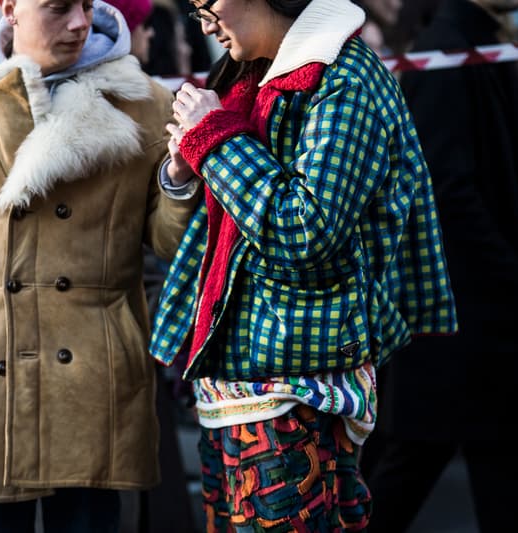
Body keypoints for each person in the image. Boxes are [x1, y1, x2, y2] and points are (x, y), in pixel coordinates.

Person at [0, 0, 201, 531]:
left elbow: (171, 245)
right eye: (57, 8)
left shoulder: (147, 105)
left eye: (87, 6)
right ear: (10, 7)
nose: (78, 22)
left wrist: (180, 178)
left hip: (94, 385)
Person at [148, 0, 458, 530]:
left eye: (208, 2)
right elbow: (220, 226)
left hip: (295, 385)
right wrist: (183, 170)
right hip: (239, 384)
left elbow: (304, 231)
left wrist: (211, 140)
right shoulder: (257, 72)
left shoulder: (346, 80)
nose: (201, 19)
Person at [360, 1, 518, 532]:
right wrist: (512, 276)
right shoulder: (447, 52)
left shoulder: (471, 43)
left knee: (496, 469)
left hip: (477, 307)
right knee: (421, 463)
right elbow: (447, 190)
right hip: (468, 311)